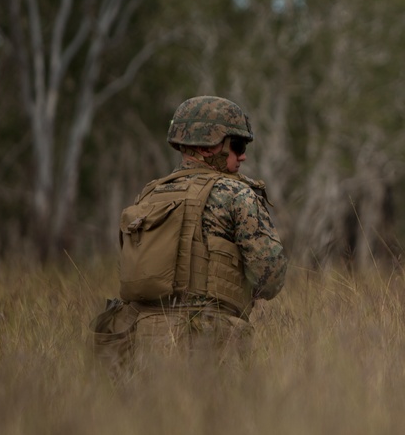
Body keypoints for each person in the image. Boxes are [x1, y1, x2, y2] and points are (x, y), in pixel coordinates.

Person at [91, 95, 288, 373]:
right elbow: (271, 276)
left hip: (138, 344)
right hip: (209, 342)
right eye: (238, 145)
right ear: (209, 147)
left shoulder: (149, 195)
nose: (243, 155)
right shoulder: (238, 194)